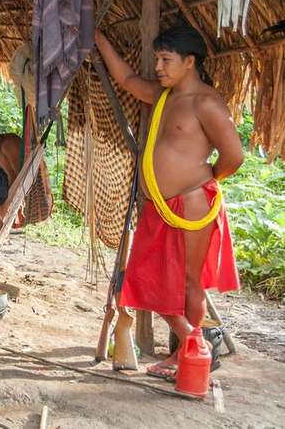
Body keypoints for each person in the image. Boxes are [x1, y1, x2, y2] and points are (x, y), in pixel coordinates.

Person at [95, 24, 243, 379]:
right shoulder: (164, 95)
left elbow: (234, 156)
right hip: (160, 207)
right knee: (146, 279)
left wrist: (201, 180)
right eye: (158, 59)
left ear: (189, 61)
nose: (158, 66)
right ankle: (196, 343)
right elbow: (128, 79)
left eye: (165, 59)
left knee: (190, 283)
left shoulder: (206, 102)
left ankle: (189, 352)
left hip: (191, 204)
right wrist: (98, 40)